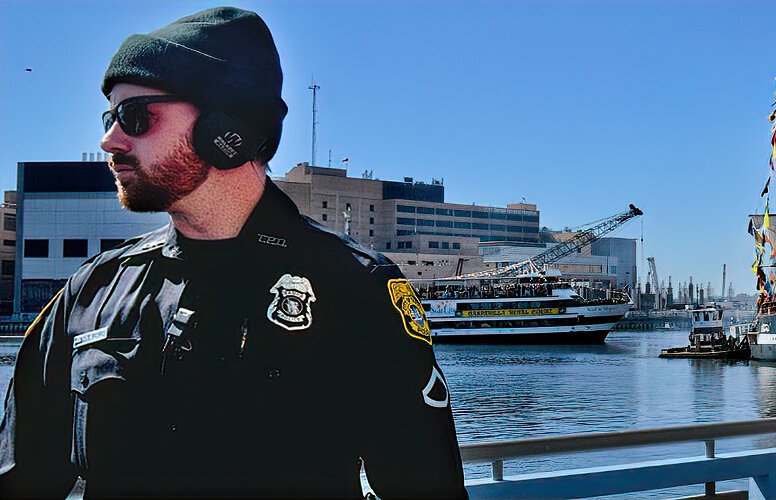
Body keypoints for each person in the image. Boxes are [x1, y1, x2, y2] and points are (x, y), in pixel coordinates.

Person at [0, 8, 467, 498]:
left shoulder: (355, 290)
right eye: (109, 117)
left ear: (227, 131)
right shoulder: (92, 292)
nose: (109, 140)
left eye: (135, 116)